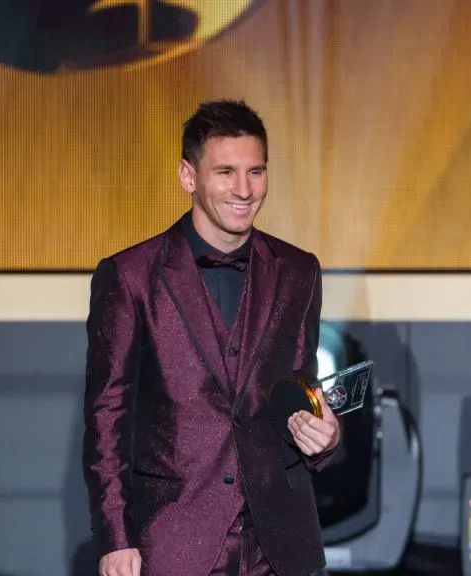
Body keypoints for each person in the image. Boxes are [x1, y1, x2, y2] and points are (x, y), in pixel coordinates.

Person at [83, 99, 341, 576]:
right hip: (171, 541)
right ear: (188, 176)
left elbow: (301, 392)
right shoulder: (130, 276)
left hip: (281, 544)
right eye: (225, 171)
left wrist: (326, 437)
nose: (243, 189)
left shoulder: (299, 270)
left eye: (256, 171)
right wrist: (115, 538)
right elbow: (107, 416)